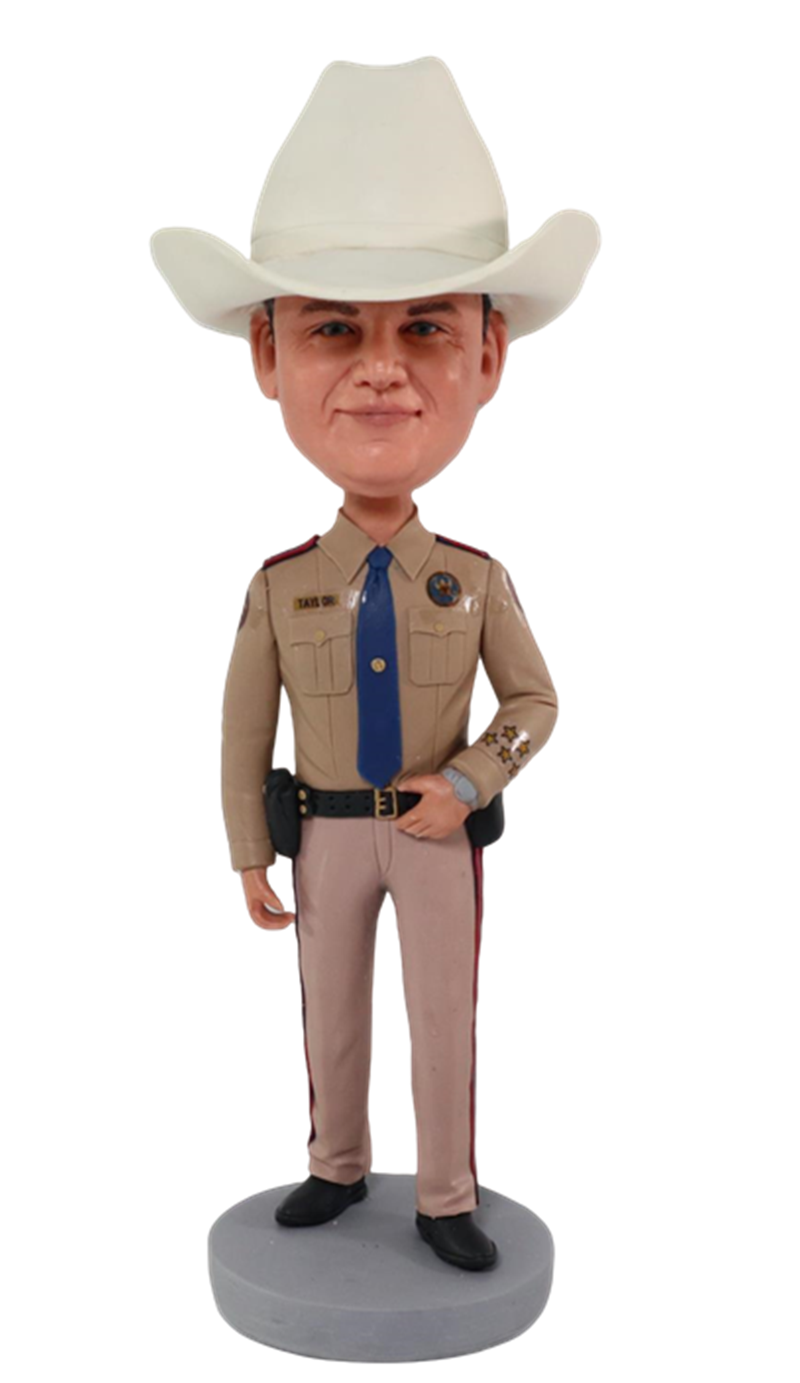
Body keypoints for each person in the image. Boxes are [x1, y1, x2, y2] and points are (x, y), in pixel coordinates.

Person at [151, 57, 600, 1272]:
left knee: (442, 1021)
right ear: (267, 354)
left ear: (488, 356)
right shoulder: (280, 586)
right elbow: (242, 730)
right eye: (334, 327)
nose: (380, 368)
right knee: (331, 1014)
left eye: (426, 327)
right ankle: (334, 1163)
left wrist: (469, 780)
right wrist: (247, 848)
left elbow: (535, 700)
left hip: (435, 832)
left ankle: (445, 1195)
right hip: (327, 833)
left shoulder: (476, 579)